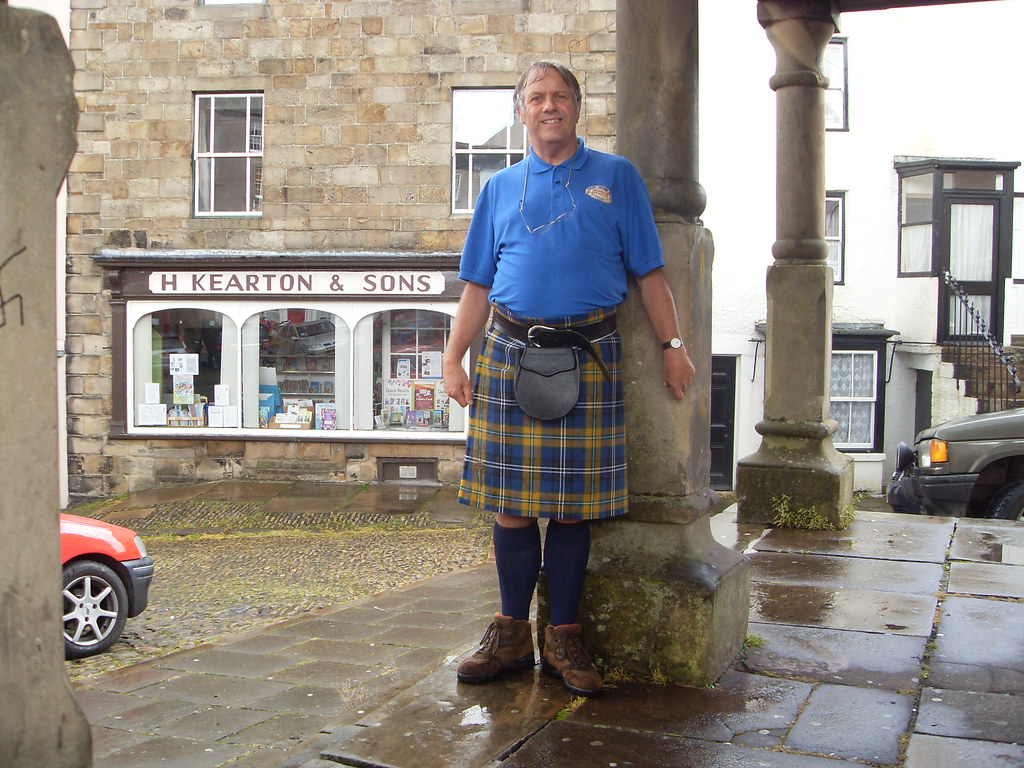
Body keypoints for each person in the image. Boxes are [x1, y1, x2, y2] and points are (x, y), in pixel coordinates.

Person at [442, 61, 695, 698]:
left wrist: (673, 345)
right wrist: (452, 357)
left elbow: (650, 272)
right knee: (510, 509)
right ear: (521, 113)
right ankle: (509, 634)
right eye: (536, 98)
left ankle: (564, 637)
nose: (548, 106)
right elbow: (475, 283)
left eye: (559, 96)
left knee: (574, 512)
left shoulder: (616, 178)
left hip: (588, 352)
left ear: (578, 108)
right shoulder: (500, 187)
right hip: (509, 349)